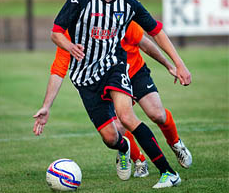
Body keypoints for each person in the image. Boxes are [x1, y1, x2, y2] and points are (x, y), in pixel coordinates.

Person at [33, 0, 191, 189]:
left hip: (114, 67)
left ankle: (168, 172)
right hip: (85, 79)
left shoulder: (128, 5)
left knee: (127, 116)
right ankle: (124, 148)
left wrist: (177, 64)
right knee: (110, 137)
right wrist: (46, 106)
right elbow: (55, 33)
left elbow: (153, 34)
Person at [39, 21, 192, 179]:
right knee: (119, 124)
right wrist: (46, 106)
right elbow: (59, 68)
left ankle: (175, 143)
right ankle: (138, 159)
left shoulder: (116, 17)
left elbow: (145, 44)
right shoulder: (70, 33)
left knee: (157, 114)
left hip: (134, 71)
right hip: (108, 77)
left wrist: (168, 65)